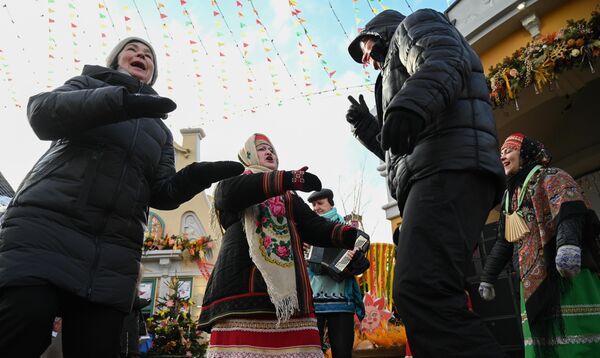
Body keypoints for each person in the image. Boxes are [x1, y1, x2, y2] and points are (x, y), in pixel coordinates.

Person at [0, 37, 244, 358]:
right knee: (18, 335)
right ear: (116, 59)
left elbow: (164, 192)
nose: (141, 55)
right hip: (44, 234)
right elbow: (41, 113)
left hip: (111, 258)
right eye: (133, 50)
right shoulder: (86, 84)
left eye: (149, 56)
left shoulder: (159, 131)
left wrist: (198, 175)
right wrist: (120, 103)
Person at [345, 9, 506, 357]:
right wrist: (367, 129)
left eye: (367, 47)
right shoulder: (395, 74)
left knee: (421, 288)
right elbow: (403, 150)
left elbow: (447, 58)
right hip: (439, 167)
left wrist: (408, 104)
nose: (367, 59)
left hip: (447, 166)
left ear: (379, 32)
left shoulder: (414, 24)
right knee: (427, 289)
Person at [198, 133, 368, 357]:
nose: (269, 152)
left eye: (272, 149)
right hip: (241, 294)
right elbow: (229, 196)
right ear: (247, 155)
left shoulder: (289, 196)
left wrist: (352, 235)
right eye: (261, 148)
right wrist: (287, 178)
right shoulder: (234, 182)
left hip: (291, 298)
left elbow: (314, 226)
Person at [479, 133, 600, 357]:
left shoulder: (552, 176)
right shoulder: (509, 198)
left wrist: (567, 247)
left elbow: (570, 210)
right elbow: (504, 242)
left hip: (566, 274)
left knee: (579, 344)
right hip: (532, 282)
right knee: (543, 346)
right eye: (501, 153)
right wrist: (488, 277)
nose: (503, 156)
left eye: (509, 151)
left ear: (525, 154)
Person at [306, 188, 366, 358]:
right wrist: (305, 251)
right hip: (314, 299)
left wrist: (353, 256)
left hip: (341, 299)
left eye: (320, 203)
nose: (316, 207)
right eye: (313, 204)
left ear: (331, 204)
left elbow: (361, 248)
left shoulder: (346, 229)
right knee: (312, 350)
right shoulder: (307, 230)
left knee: (342, 351)